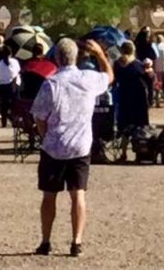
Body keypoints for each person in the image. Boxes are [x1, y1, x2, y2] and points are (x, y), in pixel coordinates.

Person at [31, 38, 113, 257]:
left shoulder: (51, 83)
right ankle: (76, 241)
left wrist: (45, 135)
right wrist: (100, 55)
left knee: (49, 195)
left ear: (57, 58)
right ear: (76, 57)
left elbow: (39, 116)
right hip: (80, 145)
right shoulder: (88, 79)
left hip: (54, 145)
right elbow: (109, 77)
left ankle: (46, 241)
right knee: (78, 195)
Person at [113, 41, 150, 135]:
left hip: (124, 94)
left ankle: (124, 147)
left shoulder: (117, 64)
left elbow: (115, 79)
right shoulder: (138, 64)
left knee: (125, 124)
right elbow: (147, 79)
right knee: (139, 124)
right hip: (138, 96)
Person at [0, 43, 22, 128]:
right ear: (11, 53)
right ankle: (16, 120)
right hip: (14, 85)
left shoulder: (0, 63)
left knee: (4, 105)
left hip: (4, 85)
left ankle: (4, 122)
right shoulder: (15, 62)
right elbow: (18, 72)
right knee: (16, 104)